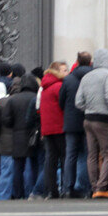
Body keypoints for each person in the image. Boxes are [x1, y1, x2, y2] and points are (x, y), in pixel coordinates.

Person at [74, 48, 108, 199]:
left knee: (92, 154)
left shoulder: (87, 76)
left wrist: (89, 108)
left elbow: (78, 102)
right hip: (104, 119)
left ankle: (94, 187)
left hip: (88, 119)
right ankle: (102, 187)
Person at [0, 73, 40, 200]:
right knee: (33, 166)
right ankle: (31, 191)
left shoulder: (13, 99)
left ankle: (18, 193)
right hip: (33, 135)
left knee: (18, 167)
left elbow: (6, 120)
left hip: (17, 135)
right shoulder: (35, 97)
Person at [59, 52, 92, 198]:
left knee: (70, 155)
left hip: (71, 121)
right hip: (88, 119)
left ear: (77, 61)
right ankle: (85, 187)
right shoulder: (93, 76)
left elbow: (61, 101)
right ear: (90, 62)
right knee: (87, 155)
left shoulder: (68, 79)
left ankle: (67, 187)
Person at [38, 62, 67, 199]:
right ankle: (65, 188)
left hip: (47, 128)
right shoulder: (59, 86)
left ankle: (52, 190)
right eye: (64, 70)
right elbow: (63, 106)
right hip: (59, 127)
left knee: (50, 160)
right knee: (65, 158)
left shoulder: (44, 87)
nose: (66, 72)